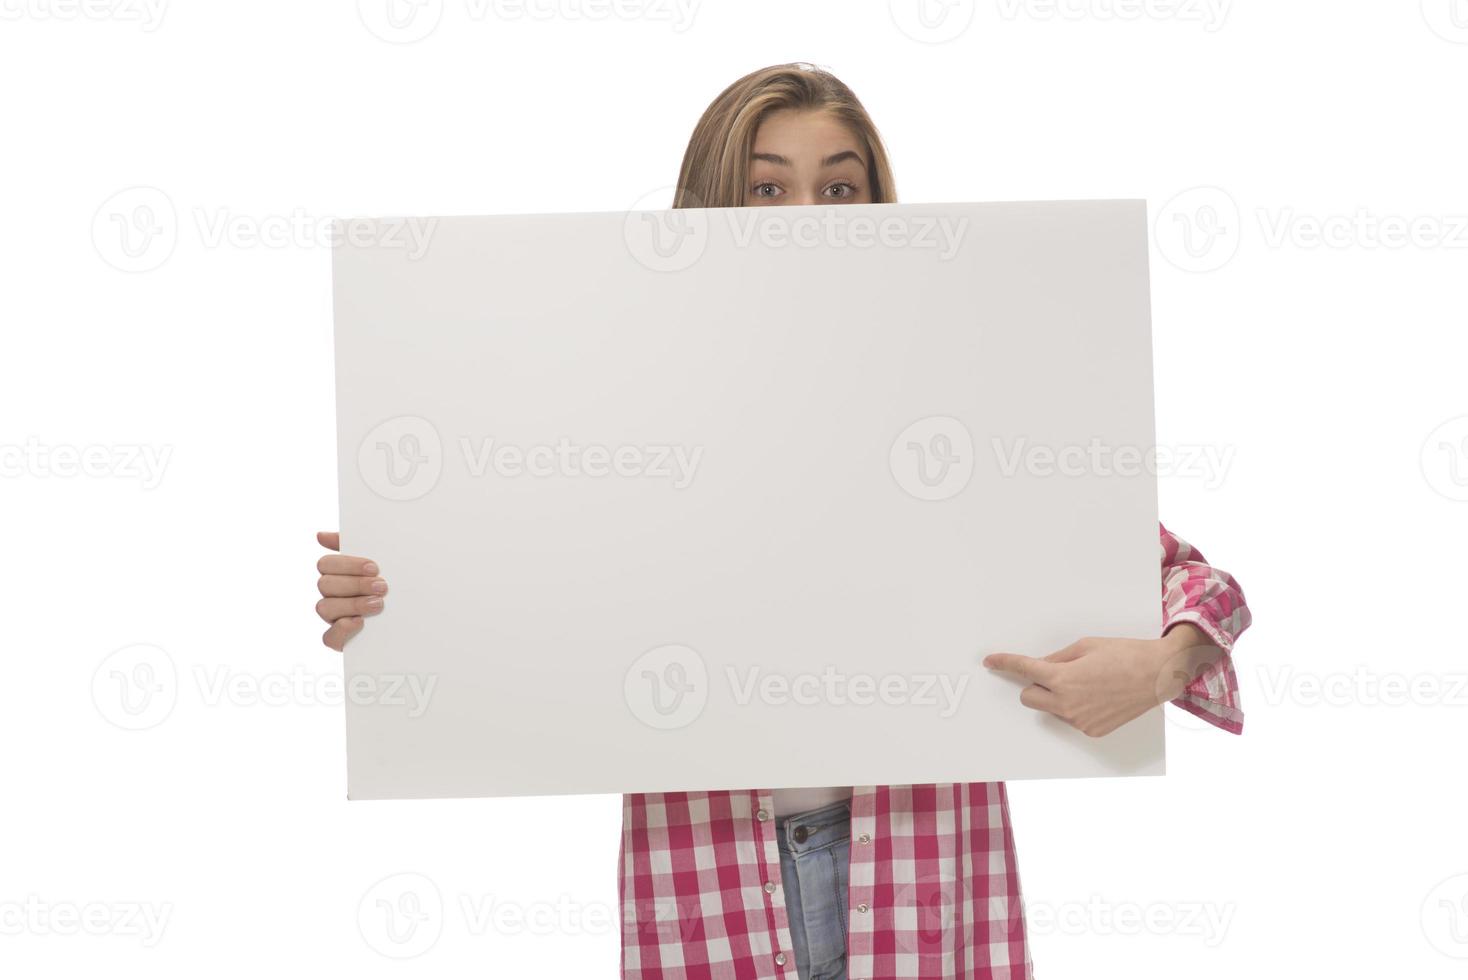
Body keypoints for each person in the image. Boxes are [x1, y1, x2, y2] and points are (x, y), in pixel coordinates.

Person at [316, 62, 1251, 980]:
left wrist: (1165, 663)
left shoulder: (958, 401)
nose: (808, 217)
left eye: (839, 187)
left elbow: (1186, 576)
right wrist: (398, 598)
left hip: (927, 887)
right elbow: (518, 597)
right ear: (713, 207)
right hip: (712, 893)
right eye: (769, 187)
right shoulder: (613, 413)